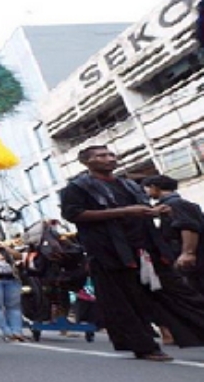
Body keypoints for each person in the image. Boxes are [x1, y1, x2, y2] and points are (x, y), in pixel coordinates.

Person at [60, 145, 204, 361]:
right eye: (102, 156)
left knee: (180, 293)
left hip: (148, 248)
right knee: (125, 301)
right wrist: (123, 211)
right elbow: (74, 214)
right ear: (87, 162)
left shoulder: (128, 185)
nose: (109, 158)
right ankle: (144, 347)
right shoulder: (77, 187)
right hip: (111, 252)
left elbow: (140, 210)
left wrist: (154, 212)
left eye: (111, 154)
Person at [142, 175, 204, 295]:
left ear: (154, 187)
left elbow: (188, 226)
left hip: (196, 256)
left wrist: (188, 253)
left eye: (146, 189)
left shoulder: (175, 204)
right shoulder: (169, 205)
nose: (146, 193)